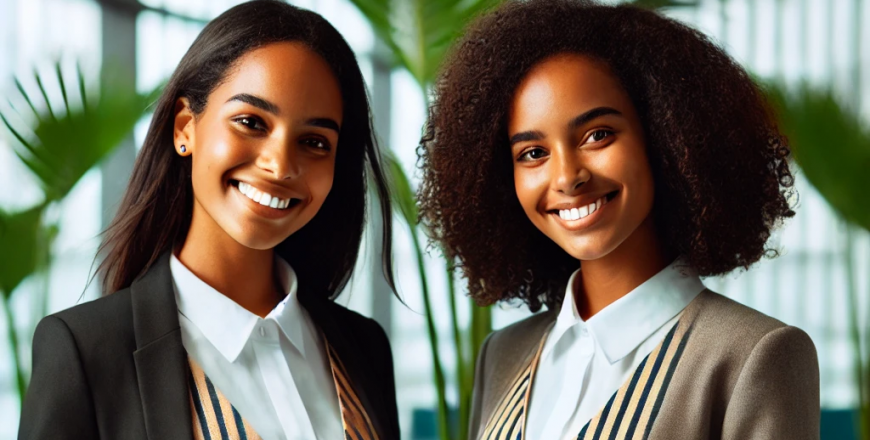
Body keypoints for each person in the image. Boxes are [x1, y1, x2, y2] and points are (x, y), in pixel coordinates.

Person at [417, 1, 819, 439]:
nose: (568, 176)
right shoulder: (504, 353)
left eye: (597, 135)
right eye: (533, 153)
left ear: (666, 137)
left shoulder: (754, 355)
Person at [18, 1, 398, 439]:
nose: (280, 165)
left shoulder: (364, 348)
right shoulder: (86, 352)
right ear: (185, 128)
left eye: (314, 141)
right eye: (251, 122)